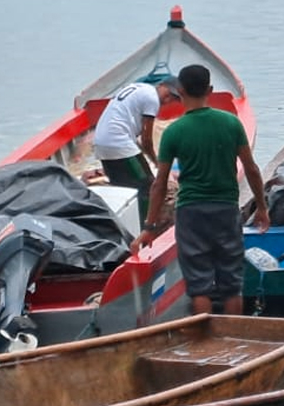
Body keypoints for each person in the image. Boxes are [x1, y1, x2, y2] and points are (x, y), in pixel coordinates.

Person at [131, 63, 270, 315]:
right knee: (231, 285)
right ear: (210, 89)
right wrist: (261, 207)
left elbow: (159, 184)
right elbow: (251, 169)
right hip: (226, 210)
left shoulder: (174, 132)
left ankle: (203, 342)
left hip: (191, 214)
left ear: (180, 90)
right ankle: (234, 342)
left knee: (199, 286)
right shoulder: (231, 123)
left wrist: (149, 228)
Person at [92, 75, 181, 222]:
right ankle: (147, 226)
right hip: (118, 143)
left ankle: (124, 223)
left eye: (173, 98)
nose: (167, 99)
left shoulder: (138, 89)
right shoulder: (152, 99)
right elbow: (146, 140)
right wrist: (157, 162)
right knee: (147, 186)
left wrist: (148, 157)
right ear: (161, 85)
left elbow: (137, 138)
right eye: (168, 94)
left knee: (120, 188)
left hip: (101, 144)